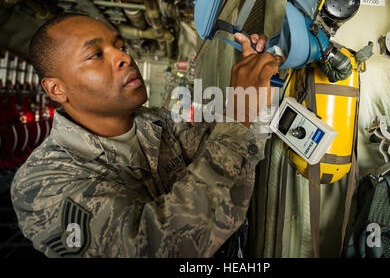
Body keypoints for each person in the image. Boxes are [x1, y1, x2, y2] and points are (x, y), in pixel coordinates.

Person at [10, 13, 282, 257]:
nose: (124, 58)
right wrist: (239, 112)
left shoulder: (157, 122)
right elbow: (153, 246)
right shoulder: (41, 183)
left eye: (120, 46)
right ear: (56, 88)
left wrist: (259, 86)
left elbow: (234, 149)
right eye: (96, 54)